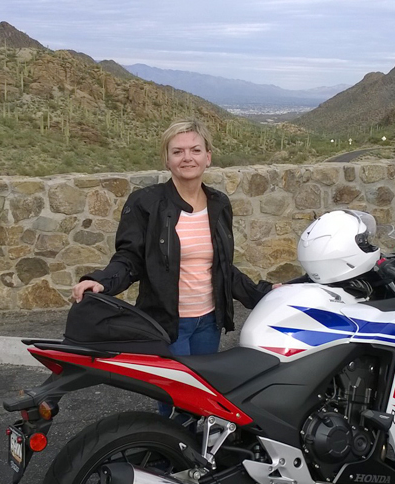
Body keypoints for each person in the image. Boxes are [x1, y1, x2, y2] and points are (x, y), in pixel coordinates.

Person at [71, 119, 275, 414]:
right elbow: (130, 258)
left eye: (195, 150)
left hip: (208, 321)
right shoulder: (145, 203)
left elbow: (222, 268)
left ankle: (198, 458)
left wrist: (264, 293)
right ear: (166, 159)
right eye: (177, 151)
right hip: (168, 324)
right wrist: (101, 281)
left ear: (208, 156)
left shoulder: (219, 204)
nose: (187, 158)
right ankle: (168, 456)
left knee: (204, 401)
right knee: (175, 403)